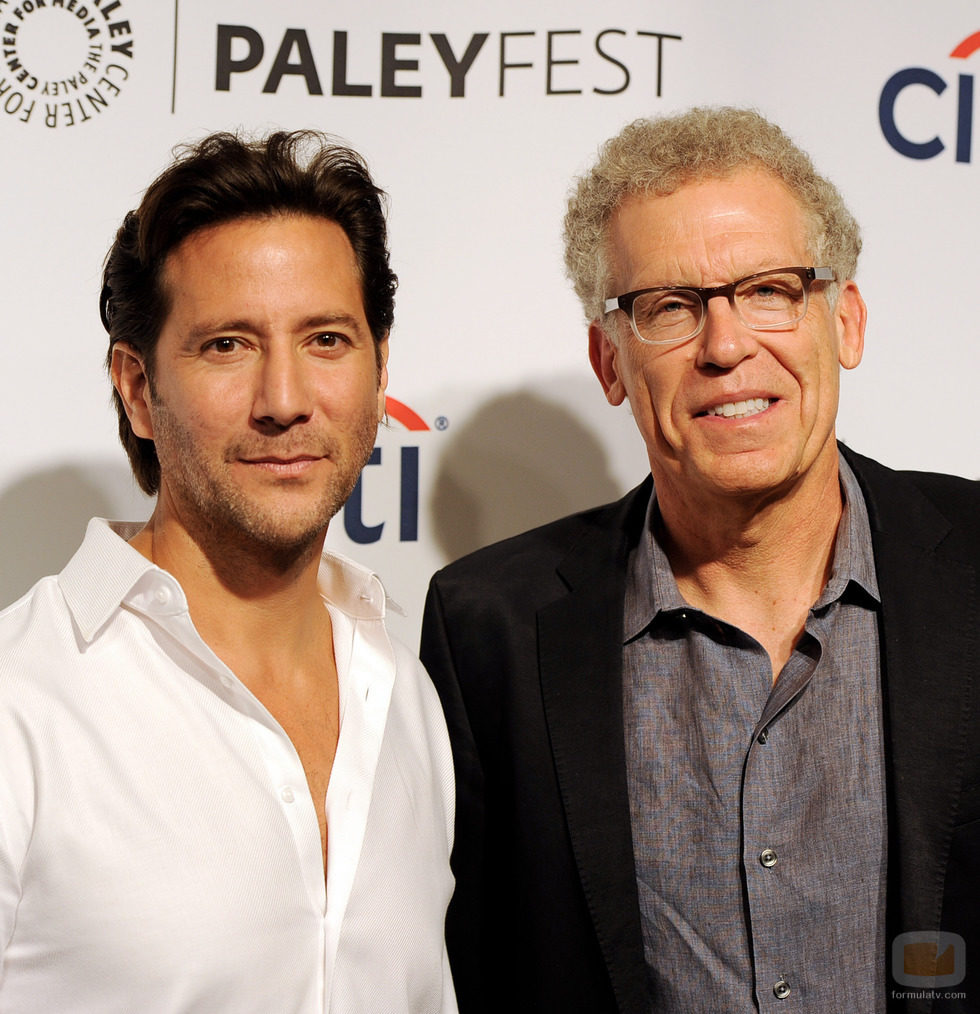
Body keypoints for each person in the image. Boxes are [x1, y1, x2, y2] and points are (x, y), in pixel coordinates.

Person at [420, 107, 979, 1014]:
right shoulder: (491, 627)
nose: (725, 347)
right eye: (671, 308)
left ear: (847, 322)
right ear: (611, 361)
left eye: (768, 290)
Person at [0, 131, 457, 1013]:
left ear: (378, 369)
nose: (284, 400)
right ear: (137, 388)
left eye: (326, 339)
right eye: (228, 346)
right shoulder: (22, 701)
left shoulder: (403, 697)